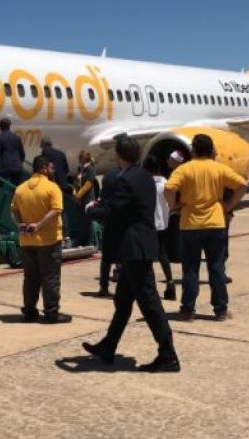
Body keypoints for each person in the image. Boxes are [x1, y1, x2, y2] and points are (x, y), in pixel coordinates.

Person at [83, 137, 179, 372]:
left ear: (119, 156)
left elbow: (112, 212)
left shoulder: (125, 180)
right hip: (137, 247)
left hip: (133, 248)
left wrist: (90, 210)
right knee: (123, 302)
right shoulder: (145, 176)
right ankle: (108, 346)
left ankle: (168, 354)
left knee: (150, 304)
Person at [165, 134, 247, 321]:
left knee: (190, 269)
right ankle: (220, 310)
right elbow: (242, 185)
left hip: (190, 224)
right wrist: (229, 205)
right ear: (212, 151)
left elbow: (169, 189)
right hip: (215, 223)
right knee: (216, 268)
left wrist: (174, 205)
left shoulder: (185, 169)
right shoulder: (218, 168)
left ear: (193, 150)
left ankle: (187, 309)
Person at [10, 156, 71, 324]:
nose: (53, 171)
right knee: (50, 277)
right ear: (44, 168)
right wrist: (39, 225)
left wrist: (20, 225)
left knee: (30, 278)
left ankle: (29, 311)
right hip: (48, 241)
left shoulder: (20, 189)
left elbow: (13, 211)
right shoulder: (52, 188)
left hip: (27, 241)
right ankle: (51, 313)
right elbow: (56, 210)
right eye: (51, 168)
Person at [143, 155, 176, 301]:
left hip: (149, 224)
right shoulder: (165, 182)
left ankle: (150, 287)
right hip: (163, 222)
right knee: (163, 254)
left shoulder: (146, 184)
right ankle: (170, 282)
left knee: (148, 256)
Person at [94, 165, 121, 296]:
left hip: (109, 219)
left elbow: (102, 196)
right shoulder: (129, 175)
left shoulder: (109, 174)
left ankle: (103, 286)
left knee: (106, 257)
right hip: (123, 221)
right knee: (123, 255)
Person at [40, 136, 72, 242]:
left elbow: (43, 169)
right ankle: (66, 234)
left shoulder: (45, 153)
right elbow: (66, 170)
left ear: (43, 144)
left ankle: (53, 233)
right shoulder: (61, 154)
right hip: (62, 185)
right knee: (61, 209)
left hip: (51, 185)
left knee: (50, 209)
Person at [72, 150, 99, 246]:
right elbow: (76, 183)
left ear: (85, 158)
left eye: (81, 157)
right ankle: (83, 239)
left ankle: (90, 241)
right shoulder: (80, 169)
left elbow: (88, 184)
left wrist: (78, 195)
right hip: (80, 199)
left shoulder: (91, 169)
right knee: (82, 220)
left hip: (88, 198)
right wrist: (74, 193)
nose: (80, 159)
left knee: (89, 220)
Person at [0, 118, 26, 186]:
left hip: (4, 166)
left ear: (0, 126)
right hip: (17, 167)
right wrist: (18, 163)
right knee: (15, 188)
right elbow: (22, 154)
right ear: (9, 126)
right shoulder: (17, 137)